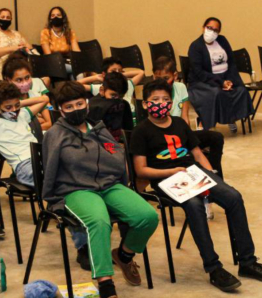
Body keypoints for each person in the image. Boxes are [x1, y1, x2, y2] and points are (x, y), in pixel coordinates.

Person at [131, 79, 262, 292]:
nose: (160, 103)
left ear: (171, 102)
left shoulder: (180, 124)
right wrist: (171, 171)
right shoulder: (141, 131)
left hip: (193, 173)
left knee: (233, 197)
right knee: (193, 204)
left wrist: (212, 175)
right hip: (166, 179)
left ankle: (248, 261)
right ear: (145, 104)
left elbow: (197, 153)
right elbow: (141, 170)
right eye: (155, 100)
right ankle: (213, 267)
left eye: (165, 99)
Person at [42, 81, 158, 298]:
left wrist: (122, 185)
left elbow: (117, 156)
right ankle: (106, 285)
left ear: (87, 103)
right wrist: (53, 200)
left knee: (147, 216)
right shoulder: (55, 134)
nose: (76, 109)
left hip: (109, 185)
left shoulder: (98, 128)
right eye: (69, 107)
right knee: (99, 221)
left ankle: (123, 256)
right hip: (76, 190)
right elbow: (49, 170)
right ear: (60, 110)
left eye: (80, 103)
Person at [154, 56, 224, 218]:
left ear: (175, 76)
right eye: (158, 78)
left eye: (166, 78)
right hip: (165, 138)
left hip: (183, 132)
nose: (162, 82)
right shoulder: (154, 92)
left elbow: (185, 117)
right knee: (194, 154)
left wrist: (191, 139)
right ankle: (202, 193)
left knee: (215, 138)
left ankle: (214, 180)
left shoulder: (180, 88)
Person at [186, 17, 251, 133]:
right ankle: (202, 120)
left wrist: (230, 80)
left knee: (241, 90)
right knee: (217, 92)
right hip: (203, 81)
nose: (212, 32)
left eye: (216, 30)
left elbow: (231, 62)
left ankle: (231, 118)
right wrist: (220, 83)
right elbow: (199, 72)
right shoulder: (195, 46)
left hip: (225, 77)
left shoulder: (222, 40)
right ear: (203, 28)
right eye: (210, 28)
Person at [1, 58, 52, 130]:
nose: (25, 83)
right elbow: (18, 128)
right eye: (19, 80)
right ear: (9, 80)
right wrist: (37, 122)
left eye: (27, 78)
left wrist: (33, 125)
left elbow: (49, 123)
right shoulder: (8, 103)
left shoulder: (36, 95)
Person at [0, 8, 34, 81]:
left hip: (22, 67)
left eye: (8, 17)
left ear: (11, 19)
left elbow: (30, 48)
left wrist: (24, 47)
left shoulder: (17, 33)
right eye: (2, 17)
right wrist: (12, 48)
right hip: (4, 69)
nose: (5, 19)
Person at [77, 57, 145, 105]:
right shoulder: (101, 88)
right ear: (104, 74)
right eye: (113, 71)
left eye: (120, 70)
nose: (117, 73)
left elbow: (141, 72)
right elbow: (75, 85)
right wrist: (95, 77)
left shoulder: (127, 84)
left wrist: (120, 75)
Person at [87, 71, 132, 142]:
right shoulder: (93, 106)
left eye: (120, 96)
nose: (117, 99)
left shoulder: (124, 104)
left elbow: (128, 131)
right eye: (113, 96)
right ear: (102, 90)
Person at [40, 6, 80, 74]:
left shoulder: (69, 32)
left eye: (58, 15)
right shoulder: (45, 32)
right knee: (77, 69)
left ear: (63, 18)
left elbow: (77, 52)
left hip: (68, 62)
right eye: (53, 15)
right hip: (53, 63)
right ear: (50, 19)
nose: (55, 17)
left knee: (79, 68)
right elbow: (48, 55)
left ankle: (76, 84)